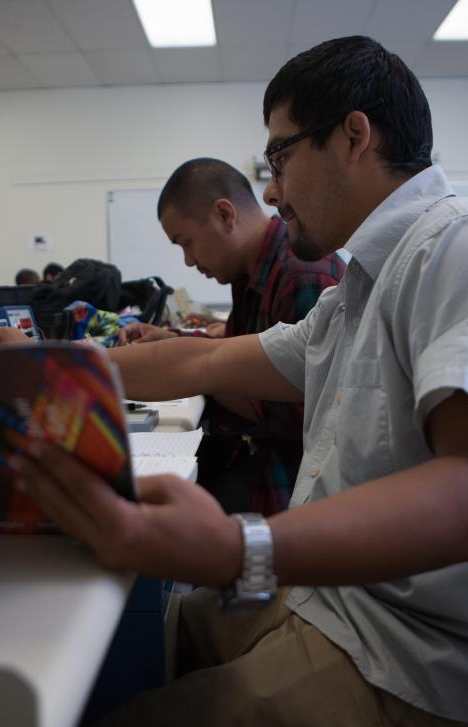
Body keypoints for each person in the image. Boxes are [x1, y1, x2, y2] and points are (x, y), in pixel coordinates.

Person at [5, 37, 468, 727]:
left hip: (434, 665)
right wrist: (36, 365)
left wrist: (240, 547)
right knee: (145, 630)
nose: (268, 188)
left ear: (354, 135)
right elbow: (202, 363)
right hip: (355, 604)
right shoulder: (365, 287)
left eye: (280, 159)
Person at [119, 158, 344, 515]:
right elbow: (246, 350)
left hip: (290, 486)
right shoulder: (252, 269)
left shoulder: (301, 275)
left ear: (225, 215)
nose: (189, 261)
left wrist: (192, 367)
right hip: (256, 457)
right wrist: (174, 340)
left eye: (186, 242)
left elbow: (305, 414)